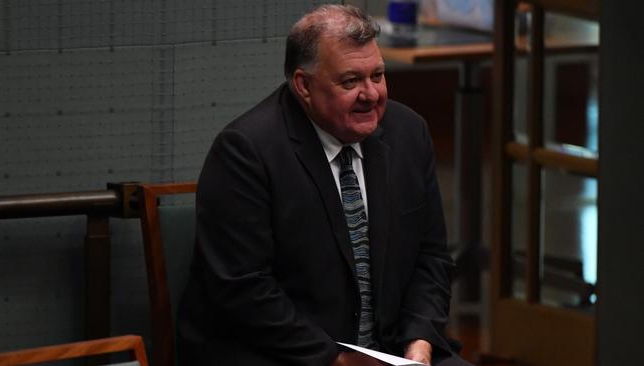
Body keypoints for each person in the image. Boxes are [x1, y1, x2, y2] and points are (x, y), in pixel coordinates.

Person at [177, 5, 471, 366]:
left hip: (392, 350)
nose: (371, 95)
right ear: (304, 85)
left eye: (377, 75)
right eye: (350, 81)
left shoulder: (408, 133)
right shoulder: (246, 151)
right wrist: (336, 360)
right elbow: (243, 290)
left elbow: (432, 258)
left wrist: (420, 343)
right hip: (286, 353)